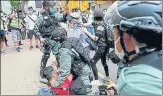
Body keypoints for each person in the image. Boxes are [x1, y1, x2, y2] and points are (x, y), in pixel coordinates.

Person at [104, 1, 162, 95]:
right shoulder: (157, 58)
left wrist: (125, 90)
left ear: (125, 37)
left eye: (114, 32)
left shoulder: (131, 84)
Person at [34, 0, 64, 76]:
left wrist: (65, 13)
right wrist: (40, 38)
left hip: (56, 39)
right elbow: (36, 29)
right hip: (47, 40)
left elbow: (62, 17)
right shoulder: (41, 18)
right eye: (51, 7)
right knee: (46, 55)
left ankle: (61, 71)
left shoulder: (54, 15)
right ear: (46, 7)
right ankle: (42, 69)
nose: (52, 8)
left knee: (58, 55)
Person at [82, 8, 111, 85]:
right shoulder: (97, 23)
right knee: (104, 62)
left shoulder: (101, 26)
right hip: (105, 47)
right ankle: (107, 77)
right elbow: (90, 23)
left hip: (102, 47)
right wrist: (82, 24)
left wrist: (86, 32)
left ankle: (96, 80)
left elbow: (96, 38)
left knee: (93, 62)